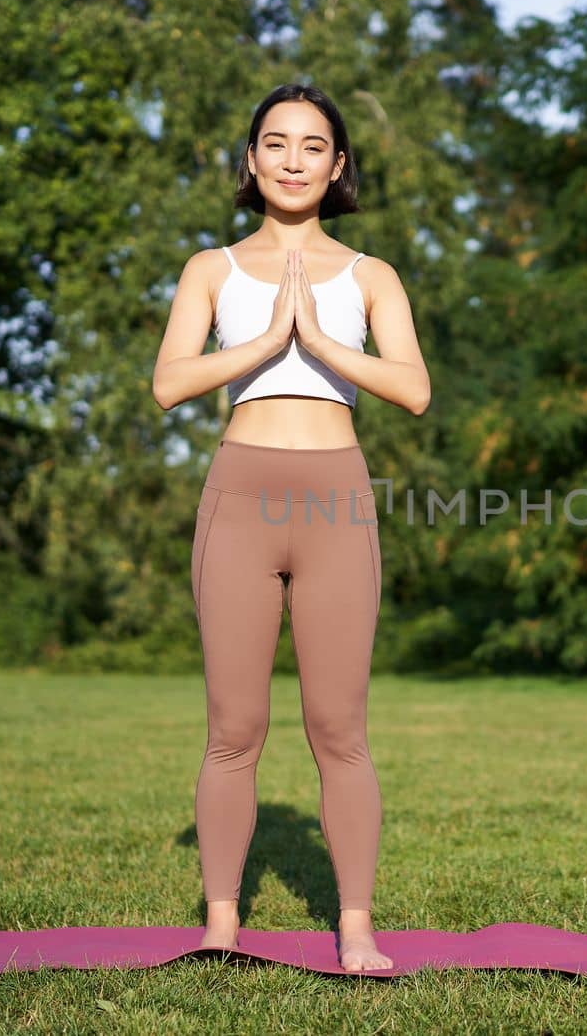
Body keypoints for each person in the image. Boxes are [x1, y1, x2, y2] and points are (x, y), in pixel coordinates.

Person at [151, 83, 431, 972]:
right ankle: (222, 924)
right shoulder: (210, 269)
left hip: (335, 500)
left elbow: (415, 391)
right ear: (251, 160)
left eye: (315, 147)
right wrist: (268, 340)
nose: (295, 160)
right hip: (241, 493)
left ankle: (354, 928)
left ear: (339, 166)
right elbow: (168, 383)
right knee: (234, 726)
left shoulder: (371, 275)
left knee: (337, 727)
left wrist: (318, 336)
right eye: (277, 144)